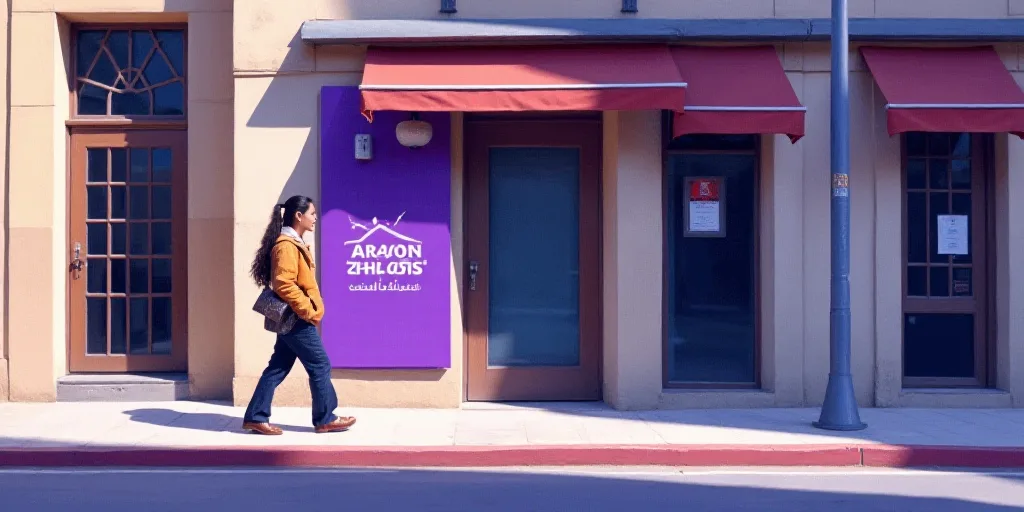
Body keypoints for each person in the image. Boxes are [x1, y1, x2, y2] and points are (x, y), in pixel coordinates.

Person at [242, 195, 356, 435]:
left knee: (278, 367)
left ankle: (255, 416)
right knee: (320, 364)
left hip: (291, 317)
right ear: (298, 215)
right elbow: (283, 283)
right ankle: (325, 417)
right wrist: (307, 308)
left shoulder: (295, 243)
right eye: (312, 214)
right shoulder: (286, 245)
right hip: (296, 318)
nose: (315, 218)